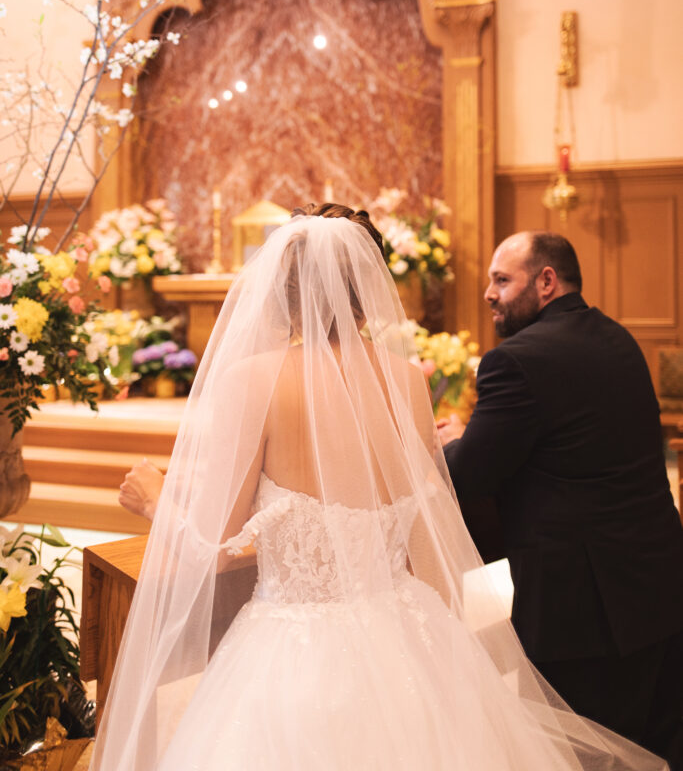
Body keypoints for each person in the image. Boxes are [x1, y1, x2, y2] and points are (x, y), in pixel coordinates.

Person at [94, 207, 667, 771]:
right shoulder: (404, 380)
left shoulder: (253, 381)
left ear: (281, 292)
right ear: (368, 289)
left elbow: (214, 553)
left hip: (297, 652)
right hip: (407, 636)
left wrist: (154, 499)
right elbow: (422, 528)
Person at [440, 231, 683, 770]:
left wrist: (455, 439)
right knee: (652, 748)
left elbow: (467, 477)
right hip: (658, 589)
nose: (488, 293)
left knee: (574, 755)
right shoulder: (618, 338)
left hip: (582, 613)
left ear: (546, 281)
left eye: (502, 280)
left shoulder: (515, 362)